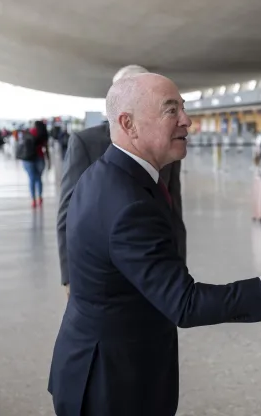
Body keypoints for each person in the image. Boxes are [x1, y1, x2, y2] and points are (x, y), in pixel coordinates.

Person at [47, 73, 261, 416]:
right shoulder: (128, 202)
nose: (187, 120)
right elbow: (184, 303)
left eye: (183, 108)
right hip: (113, 387)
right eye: (171, 110)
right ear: (129, 124)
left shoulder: (107, 174)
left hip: (98, 366)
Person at [57, 117, 185, 297]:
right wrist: (69, 276)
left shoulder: (167, 142)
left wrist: (179, 268)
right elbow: (68, 213)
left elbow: (174, 212)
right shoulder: (86, 142)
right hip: (104, 270)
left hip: (158, 268)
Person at [22, 120, 51, 208]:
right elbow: (46, 148)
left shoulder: (29, 132)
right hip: (39, 157)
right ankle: (40, 197)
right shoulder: (43, 134)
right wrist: (49, 160)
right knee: (38, 178)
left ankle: (33, 200)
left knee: (31, 178)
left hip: (28, 159)